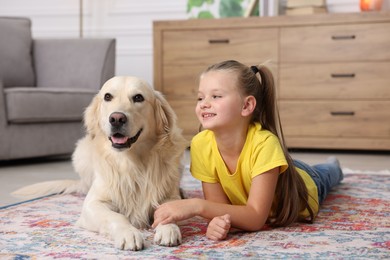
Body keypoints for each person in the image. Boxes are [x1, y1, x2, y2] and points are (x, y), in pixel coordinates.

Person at [152, 60, 343, 241]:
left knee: (327, 174)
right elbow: (220, 207)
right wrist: (220, 222)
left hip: (305, 181)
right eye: (200, 97)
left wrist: (196, 205)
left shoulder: (266, 144)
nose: (204, 103)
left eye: (216, 96)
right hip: (267, 167)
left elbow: (255, 218)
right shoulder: (201, 144)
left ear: (246, 105)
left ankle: (333, 166)